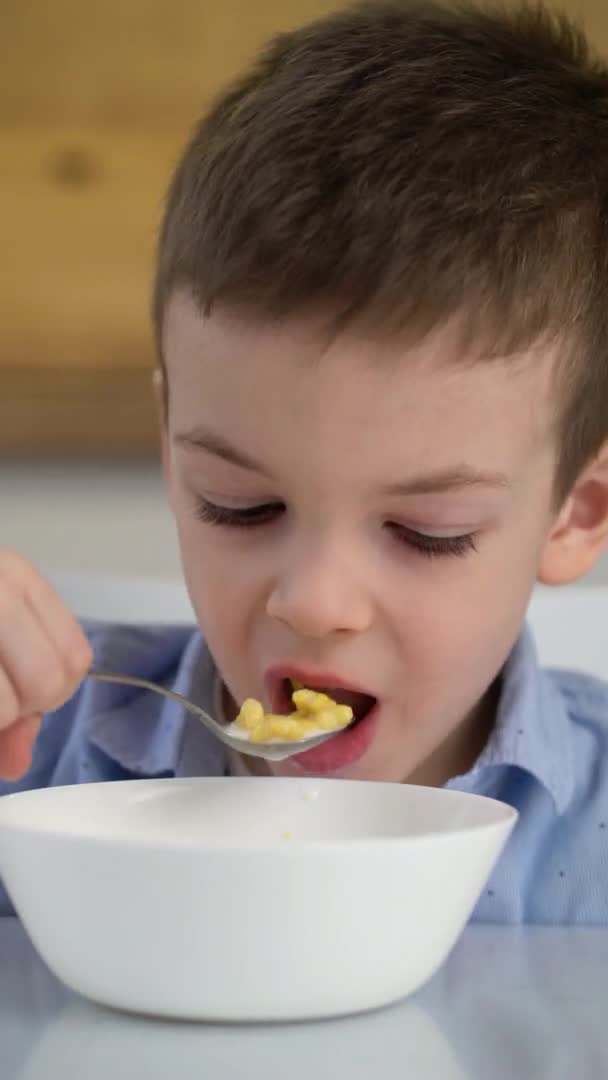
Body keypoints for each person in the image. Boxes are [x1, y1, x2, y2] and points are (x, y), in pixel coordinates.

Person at [2, 0, 608, 922]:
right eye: (238, 504)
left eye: (425, 532)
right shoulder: (35, 755)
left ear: (580, 510)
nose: (315, 604)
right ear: (171, 449)